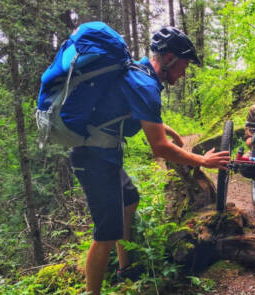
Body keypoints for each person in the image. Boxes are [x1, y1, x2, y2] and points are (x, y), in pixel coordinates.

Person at [69, 26, 229, 294]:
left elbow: (128, 109)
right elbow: (160, 149)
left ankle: (125, 268)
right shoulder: (145, 84)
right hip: (93, 159)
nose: (185, 72)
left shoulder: (139, 73)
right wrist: (201, 160)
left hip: (104, 155)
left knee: (129, 200)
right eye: (185, 65)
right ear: (168, 59)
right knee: (105, 234)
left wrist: (165, 127)